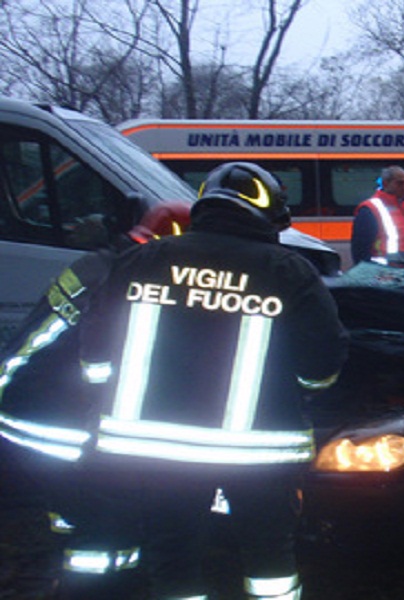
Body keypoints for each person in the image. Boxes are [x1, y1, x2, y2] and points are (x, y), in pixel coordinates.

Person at [76, 162, 349, 599]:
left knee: (174, 554)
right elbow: (321, 366)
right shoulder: (289, 271)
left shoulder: (142, 260)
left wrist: (108, 399)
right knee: (269, 559)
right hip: (260, 455)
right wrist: (298, 390)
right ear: (270, 217)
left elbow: (94, 353)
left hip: (155, 449)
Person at [0, 201, 191, 598]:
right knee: (108, 533)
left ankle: (58, 565)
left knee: (70, 515)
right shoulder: (133, 279)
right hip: (63, 427)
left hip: (31, 413)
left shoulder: (95, 265)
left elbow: (34, 339)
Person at [351, 165, 404, 265]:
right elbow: (360, 249)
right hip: (382, 272)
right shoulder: (370, 209)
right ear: (385, 183)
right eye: (400, 183)